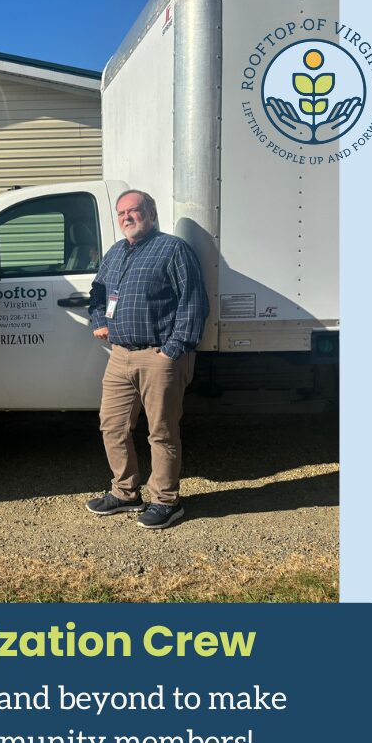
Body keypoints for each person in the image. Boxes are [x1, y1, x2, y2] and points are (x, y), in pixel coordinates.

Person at [86, 189, 209, 529]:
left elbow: (194, 303)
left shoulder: (173, 249)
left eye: (134, 211)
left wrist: (172, 350)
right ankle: (126, 493)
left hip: (159, 355)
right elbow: (97, 294)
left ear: (150, 212)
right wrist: (99, 322)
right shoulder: (115, 252)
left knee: (162, 431)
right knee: (112, 425)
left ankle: (166, 500)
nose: (127, 217)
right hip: (121, 355)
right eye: (121, 212)